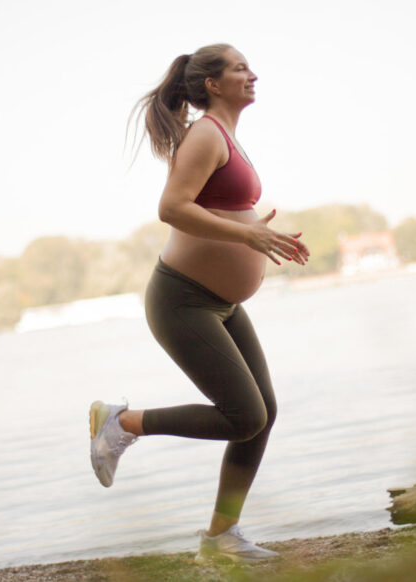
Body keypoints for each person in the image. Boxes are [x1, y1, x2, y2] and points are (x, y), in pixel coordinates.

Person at [89, 43, 309, 564]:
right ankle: (121, 422)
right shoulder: (206, 134)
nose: (253, 74)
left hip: (219, 303)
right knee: (245, 415)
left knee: (262, 413)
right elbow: (171, 207)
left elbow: (218, 208)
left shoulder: (226, 135)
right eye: (240, 68)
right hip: (182, 299)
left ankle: (220, 539)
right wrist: (247, 236)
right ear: (212, 83)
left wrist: (255, 231)